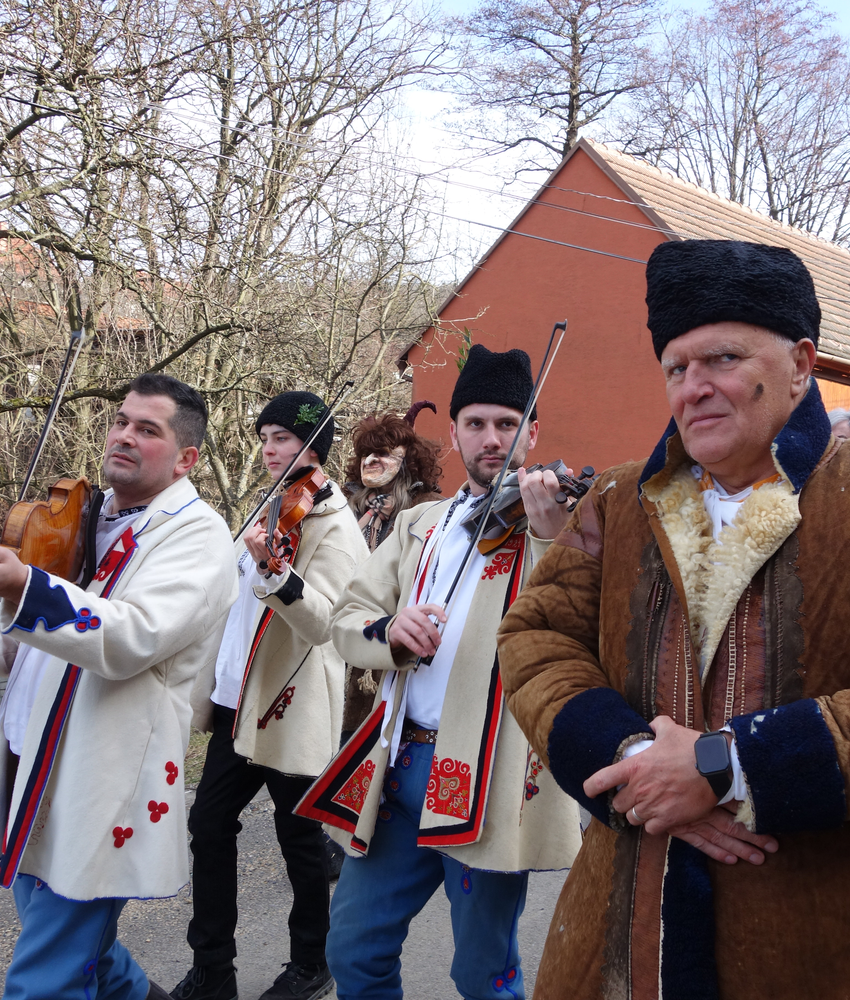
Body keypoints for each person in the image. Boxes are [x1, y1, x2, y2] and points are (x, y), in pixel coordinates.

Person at [497, 239, 850, 999]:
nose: (694, 387)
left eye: (723, 359)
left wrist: (725, 766)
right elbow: (536, 642)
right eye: (676, 368)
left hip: (844, 940)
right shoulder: (614, 503)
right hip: (633, 927)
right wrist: (637, 761)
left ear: (801, 363)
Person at [296, 345, 583, 1000]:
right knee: (353, 951)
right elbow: (348, 616)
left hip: (490, 774)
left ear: (533, 433)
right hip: (399, 765)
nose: (492, 439)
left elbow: (580, 624)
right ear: (454, 433)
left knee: (484, 975)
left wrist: (551, 538)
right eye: (476, 423)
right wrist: (390, 632)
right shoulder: (419, 523)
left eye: (507, 424)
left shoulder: (560, 523)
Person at [0, 373, 237, 1000]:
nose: (124, 436)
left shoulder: (198, 535)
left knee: (45, 978)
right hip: (32, 756)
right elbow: (27, 633)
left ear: (186, 458)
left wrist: (26, 587)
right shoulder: (84, 514)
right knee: (86, 953)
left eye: (147, 429)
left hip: (101, 777)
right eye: (121, 421)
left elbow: (133, 637)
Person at [174, 391, 369, 1000]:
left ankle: (312, 962)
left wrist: (277, 575)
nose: (268, 449)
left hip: (290, 704)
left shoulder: (335, 526)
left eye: (281, 438)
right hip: (238, 700)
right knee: (209, 825)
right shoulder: (270, 507)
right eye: (264, 438)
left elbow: (327, 625)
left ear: (313, 447)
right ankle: (213, 969)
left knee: (299, 838)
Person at [339, 401, 445, 736]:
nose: (372, 461)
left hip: (392, 652)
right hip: (338, 637)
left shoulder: (427, 513)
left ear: (406, 461)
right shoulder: (342, 508)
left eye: (383, 453)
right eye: (366, 454)